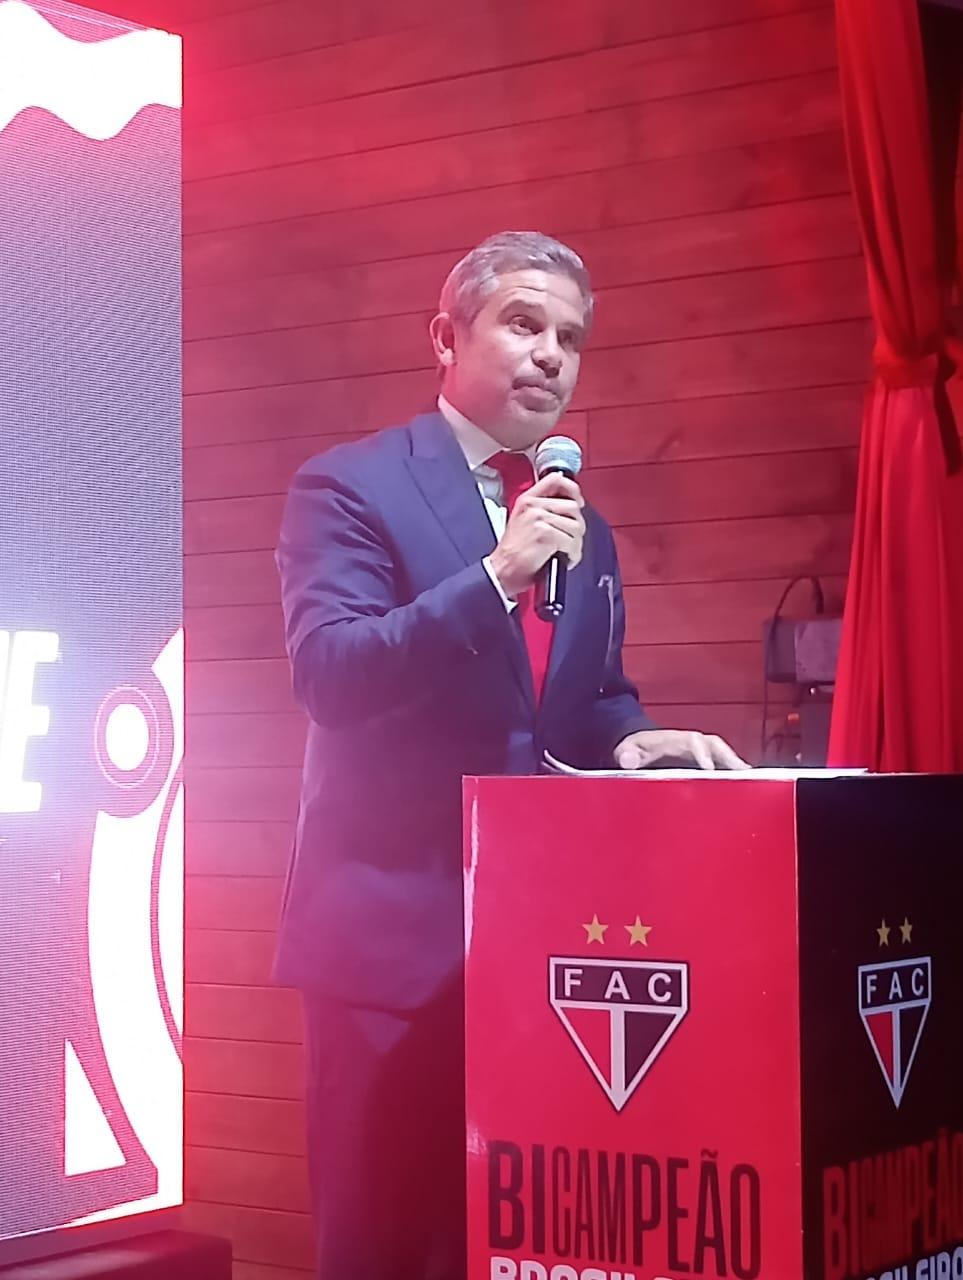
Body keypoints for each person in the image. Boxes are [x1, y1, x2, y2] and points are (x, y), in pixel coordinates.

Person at [274, 230, 746, 1280]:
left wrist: (633, 736)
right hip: (390, 949)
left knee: (505, 1245)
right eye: (524, 324)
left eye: (570, 339)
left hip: (538, 949)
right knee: (384, 1244)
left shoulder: (579, 526)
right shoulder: (350, 486)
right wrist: (495, 574)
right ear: (446, 338)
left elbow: (582, 698)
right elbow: (332, 675)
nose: (551, 356)